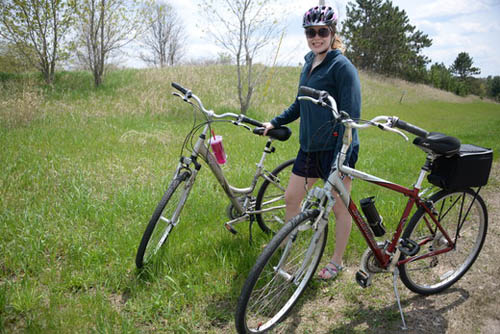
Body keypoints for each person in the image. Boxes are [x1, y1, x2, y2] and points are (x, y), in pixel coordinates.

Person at [263, 5, 361, 280]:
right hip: (308, 148)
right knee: (292, 198)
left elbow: (351, 118)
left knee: (340, 208)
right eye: (310, 32)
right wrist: (276, 122)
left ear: (332, 33)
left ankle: (336, 261)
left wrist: (344, 159)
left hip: (335, 150)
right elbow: (300, 102)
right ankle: (287, 250)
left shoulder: (342, 67)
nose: (316, 37)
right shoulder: (309, 62)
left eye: (321, 32)